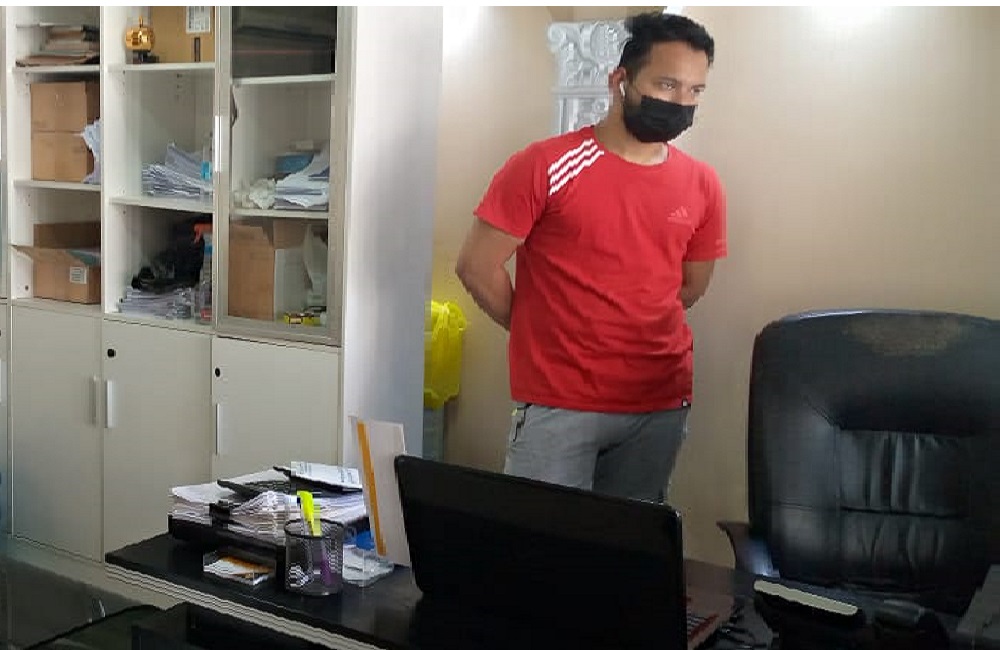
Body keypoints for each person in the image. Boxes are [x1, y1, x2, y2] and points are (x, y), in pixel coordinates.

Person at [455, 12, 727, 503]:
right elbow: (477, 266)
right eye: (667, 84)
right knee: (540, 539)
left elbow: (690, 286)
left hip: (659, 402)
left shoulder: (702, 183)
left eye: (695, 91)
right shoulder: (546, 164)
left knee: (627, 543)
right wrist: (539, 329)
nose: (681, 102)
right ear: (620, 81)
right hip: (560, 403)